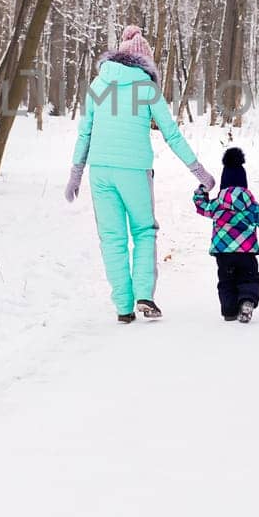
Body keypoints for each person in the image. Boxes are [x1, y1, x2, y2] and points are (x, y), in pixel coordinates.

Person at [65, 25, 214, 323]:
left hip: (101, 172)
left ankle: (123, 307)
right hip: (134, 171)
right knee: (144, 231)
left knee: (111, 237)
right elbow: (171, 134)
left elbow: (85, 133)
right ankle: (144, 295)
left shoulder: (98, 85)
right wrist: (198, 171)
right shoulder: (147, 89)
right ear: (145, 62)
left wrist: (76, 174)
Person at [192, 147, 259, 323]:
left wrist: (201, 191)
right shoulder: (251, 207)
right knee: (249, 277)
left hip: (223, 254)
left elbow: (201, 206)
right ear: (244, 184)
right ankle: (247, 300)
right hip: (246, 252)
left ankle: (229, 311)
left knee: (226, 282)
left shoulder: (216, 206)